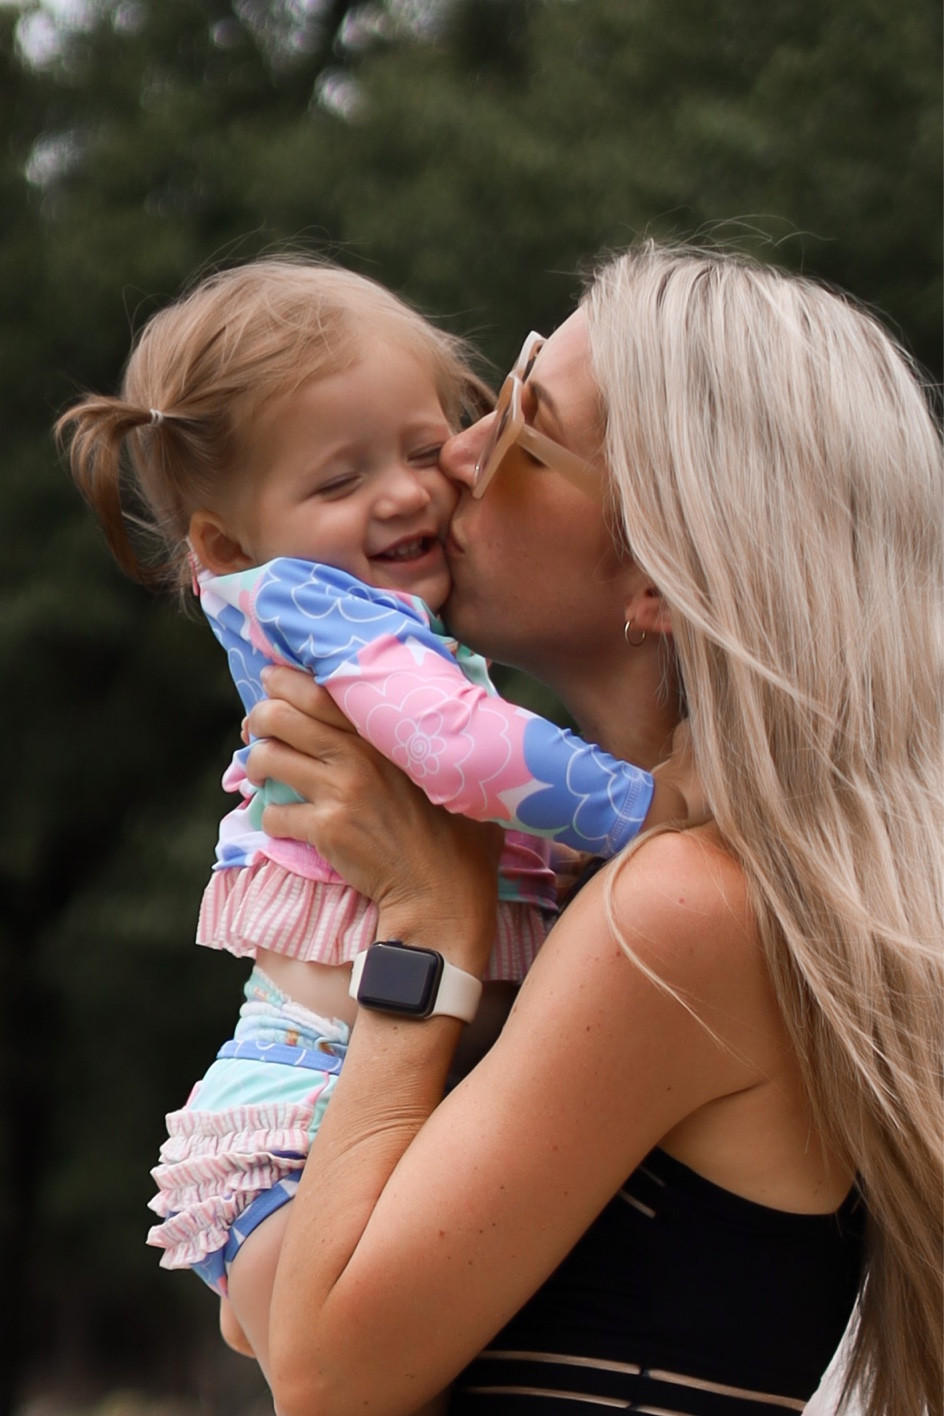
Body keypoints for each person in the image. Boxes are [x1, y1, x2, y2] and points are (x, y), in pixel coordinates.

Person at [238, 243, 943, 1416]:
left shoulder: (675, 915)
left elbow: (323, 1374)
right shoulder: (672, 887)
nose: (456, 454)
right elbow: (261, 1310)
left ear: (660, 570)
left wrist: (427, 924)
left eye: (523, 427)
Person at [54, 257, 694, 1402]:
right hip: (301, 1125)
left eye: (420, 446)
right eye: (340, 478)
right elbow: (466, 754)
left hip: (367, 1104)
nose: (406, 493)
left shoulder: (385, 627)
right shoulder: (321, 611)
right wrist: (652, 808)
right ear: (227, 548)